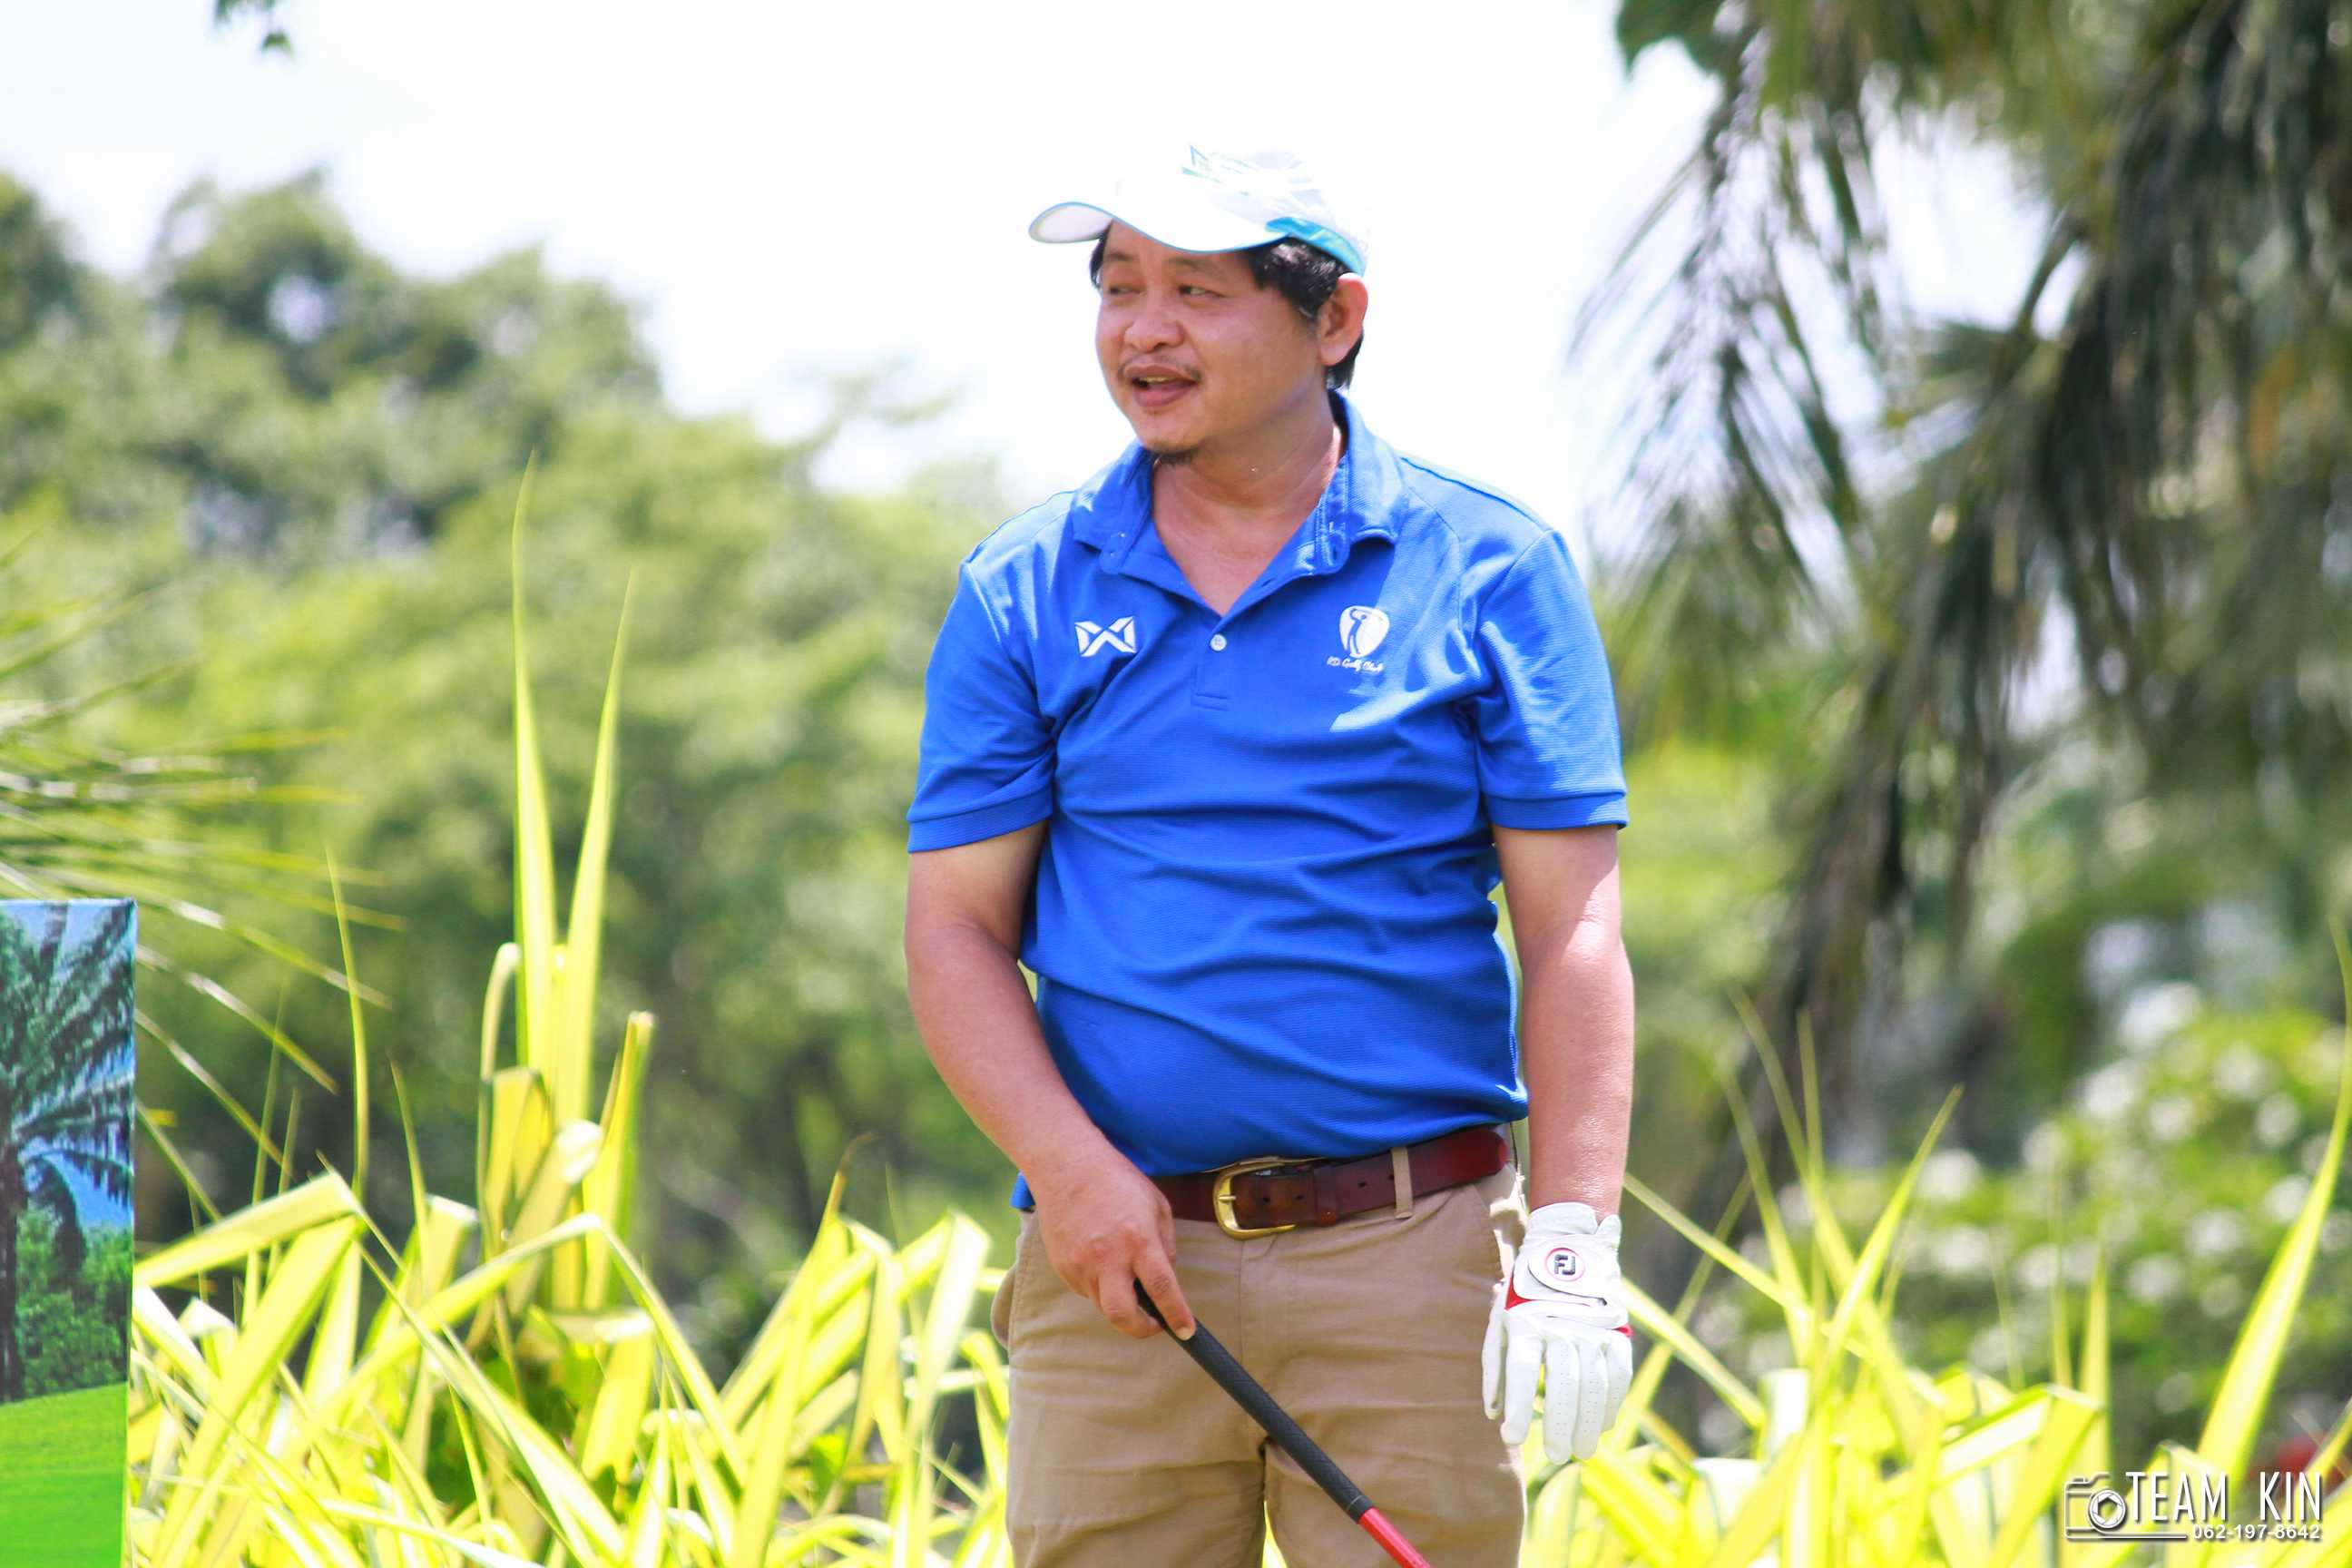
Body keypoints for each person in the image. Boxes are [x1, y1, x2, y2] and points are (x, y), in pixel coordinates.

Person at [901, 142, 1637, 1567]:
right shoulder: (1023, 587)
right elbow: (954, 930)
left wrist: (1570, 1238)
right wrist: (1066, 1168)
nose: (1142, 330)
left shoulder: (1491, 568)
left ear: (1334, 320)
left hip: (1409, 1256)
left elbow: (1574, 930)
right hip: (1119, 1265)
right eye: (1118, 286)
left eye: (1195, 291)